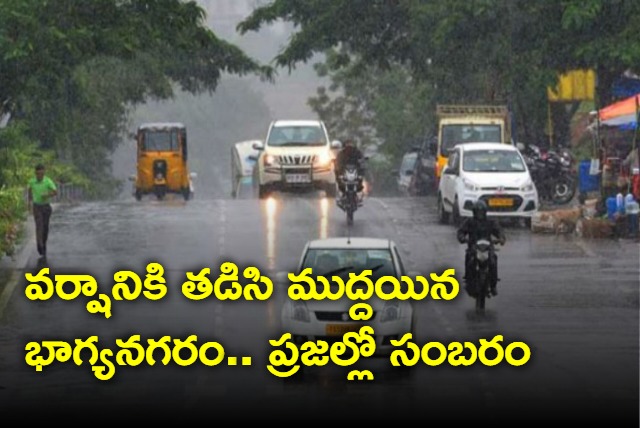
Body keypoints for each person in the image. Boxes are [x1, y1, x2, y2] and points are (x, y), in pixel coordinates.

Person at [456, 200, 506, 297]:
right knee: (469, 259)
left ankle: (493, 285)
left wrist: (501, 238)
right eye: (478, 212)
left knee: (493, 261)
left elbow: (499, 230)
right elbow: (461, 231)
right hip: (474, 247)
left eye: (481, 212)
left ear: (485, 212)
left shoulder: (490, 222)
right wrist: (462, 238)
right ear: (474, 212)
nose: (480, 215)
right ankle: (468, 280)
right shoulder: (469, 222)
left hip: (488, 248)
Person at [27, 164, 57, 257]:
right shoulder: (32, 181)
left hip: (46, 207)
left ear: (44, 172)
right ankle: (39, 245)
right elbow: (29, 190)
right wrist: (29, 202)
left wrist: (47, 194)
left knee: (45, 228)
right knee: (39, 226)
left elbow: (55, 192)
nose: (40, 175)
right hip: (37, 207)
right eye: (38, 174)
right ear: (35, 173)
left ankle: (43, 244)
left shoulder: (48, 181)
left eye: (41, 173)